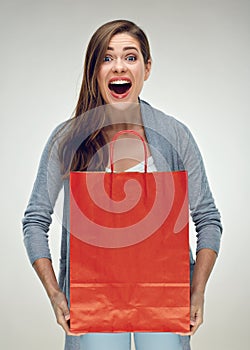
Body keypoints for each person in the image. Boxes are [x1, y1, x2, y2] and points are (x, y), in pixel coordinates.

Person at [22, 19, 222, 350]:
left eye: (130, 57)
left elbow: (208, 218)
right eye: (107, 57)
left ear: (147, 67)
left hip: (164, 299)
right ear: (94, 69)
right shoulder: (68, 139)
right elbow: (35, 219)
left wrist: (196, 291)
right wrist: (57, 293)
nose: (119, 66)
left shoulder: (173, 135)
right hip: (92, 300)